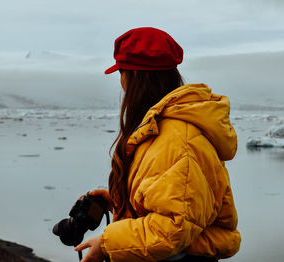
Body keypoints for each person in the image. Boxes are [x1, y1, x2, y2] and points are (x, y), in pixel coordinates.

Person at [75, 27, 241, 262]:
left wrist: (106, 243)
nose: (121, 82)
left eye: (122, 72)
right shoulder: (161, 130)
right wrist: (120, 203)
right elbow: (180, 205)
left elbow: (172, 230)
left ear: (134, 77)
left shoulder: (177, 139)